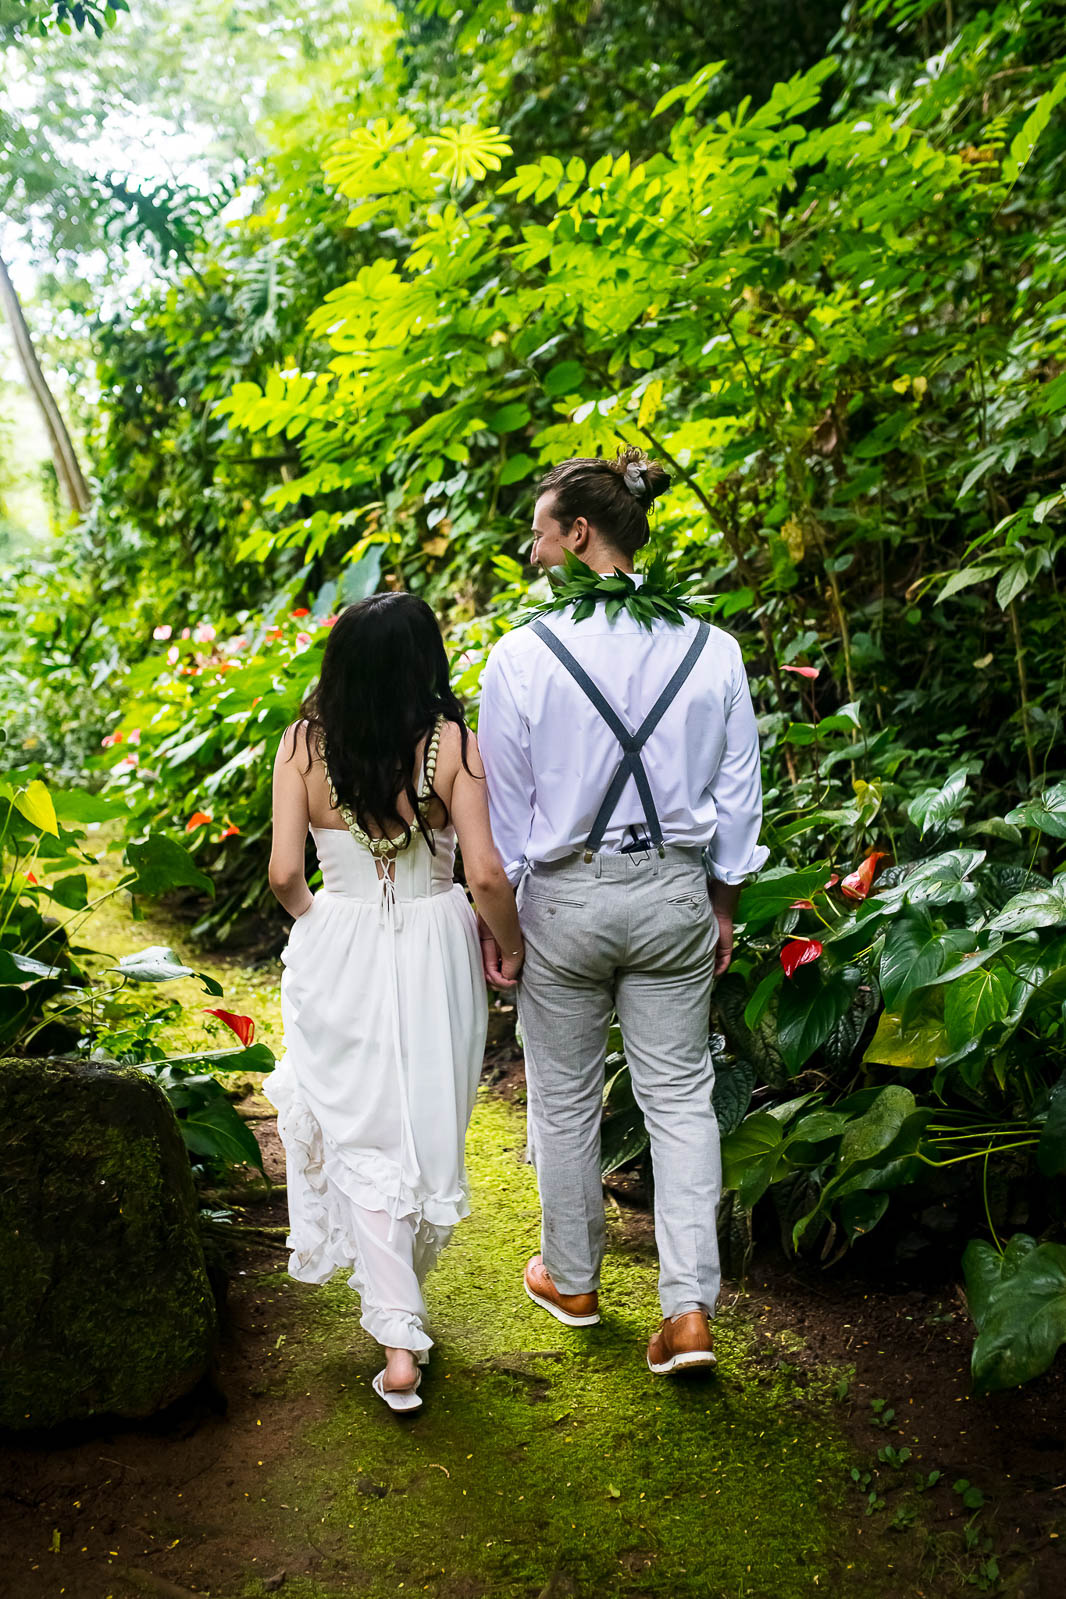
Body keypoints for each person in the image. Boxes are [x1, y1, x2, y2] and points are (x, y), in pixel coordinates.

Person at [477, 447, 767, 1376]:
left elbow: (511, 816)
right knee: (680, 1098)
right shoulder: (711, 647)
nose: (532, 552)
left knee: (562, 1099)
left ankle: (572, 1277)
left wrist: (507, 930)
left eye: (538, 532)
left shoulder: (520, 656)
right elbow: (739, 796)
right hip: (678, 890)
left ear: (579, 532)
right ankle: (688, 1312)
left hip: (566, 896)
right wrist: (722, 901)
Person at [264, 594, 523, 1411]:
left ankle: (398, 1333)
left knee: (360, 1126)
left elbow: (281, 875)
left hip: (336, 937)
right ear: (425, 661)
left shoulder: (303, 746)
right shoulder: (453, 747)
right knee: (420, 1125)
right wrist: (509, 944)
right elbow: (483, 873)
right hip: (433, 941)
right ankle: (400, 1328)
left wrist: (323, 923)